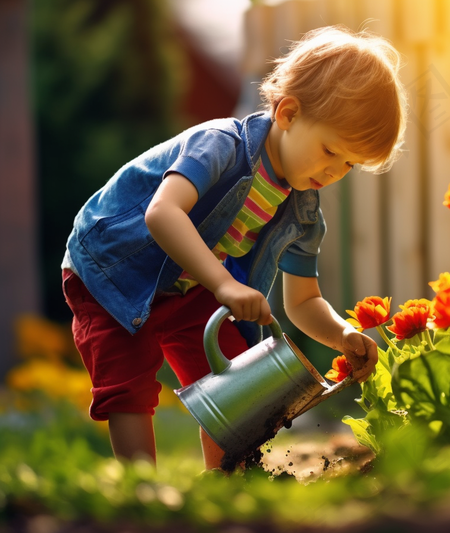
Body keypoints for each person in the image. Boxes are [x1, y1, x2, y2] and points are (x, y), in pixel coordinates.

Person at [61, 26, 407, 470]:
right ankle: (140, 487)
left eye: (349, 164)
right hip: (113, 268)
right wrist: (224, 284)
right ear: (288, 113)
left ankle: (227, 482)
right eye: (329, 151)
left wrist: (341, 334)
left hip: (189, 285)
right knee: (129, 385)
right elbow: (163, 213)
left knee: (238, 379)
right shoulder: (221, 145)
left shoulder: (302, 210)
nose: (335, 170)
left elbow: (304, 301)